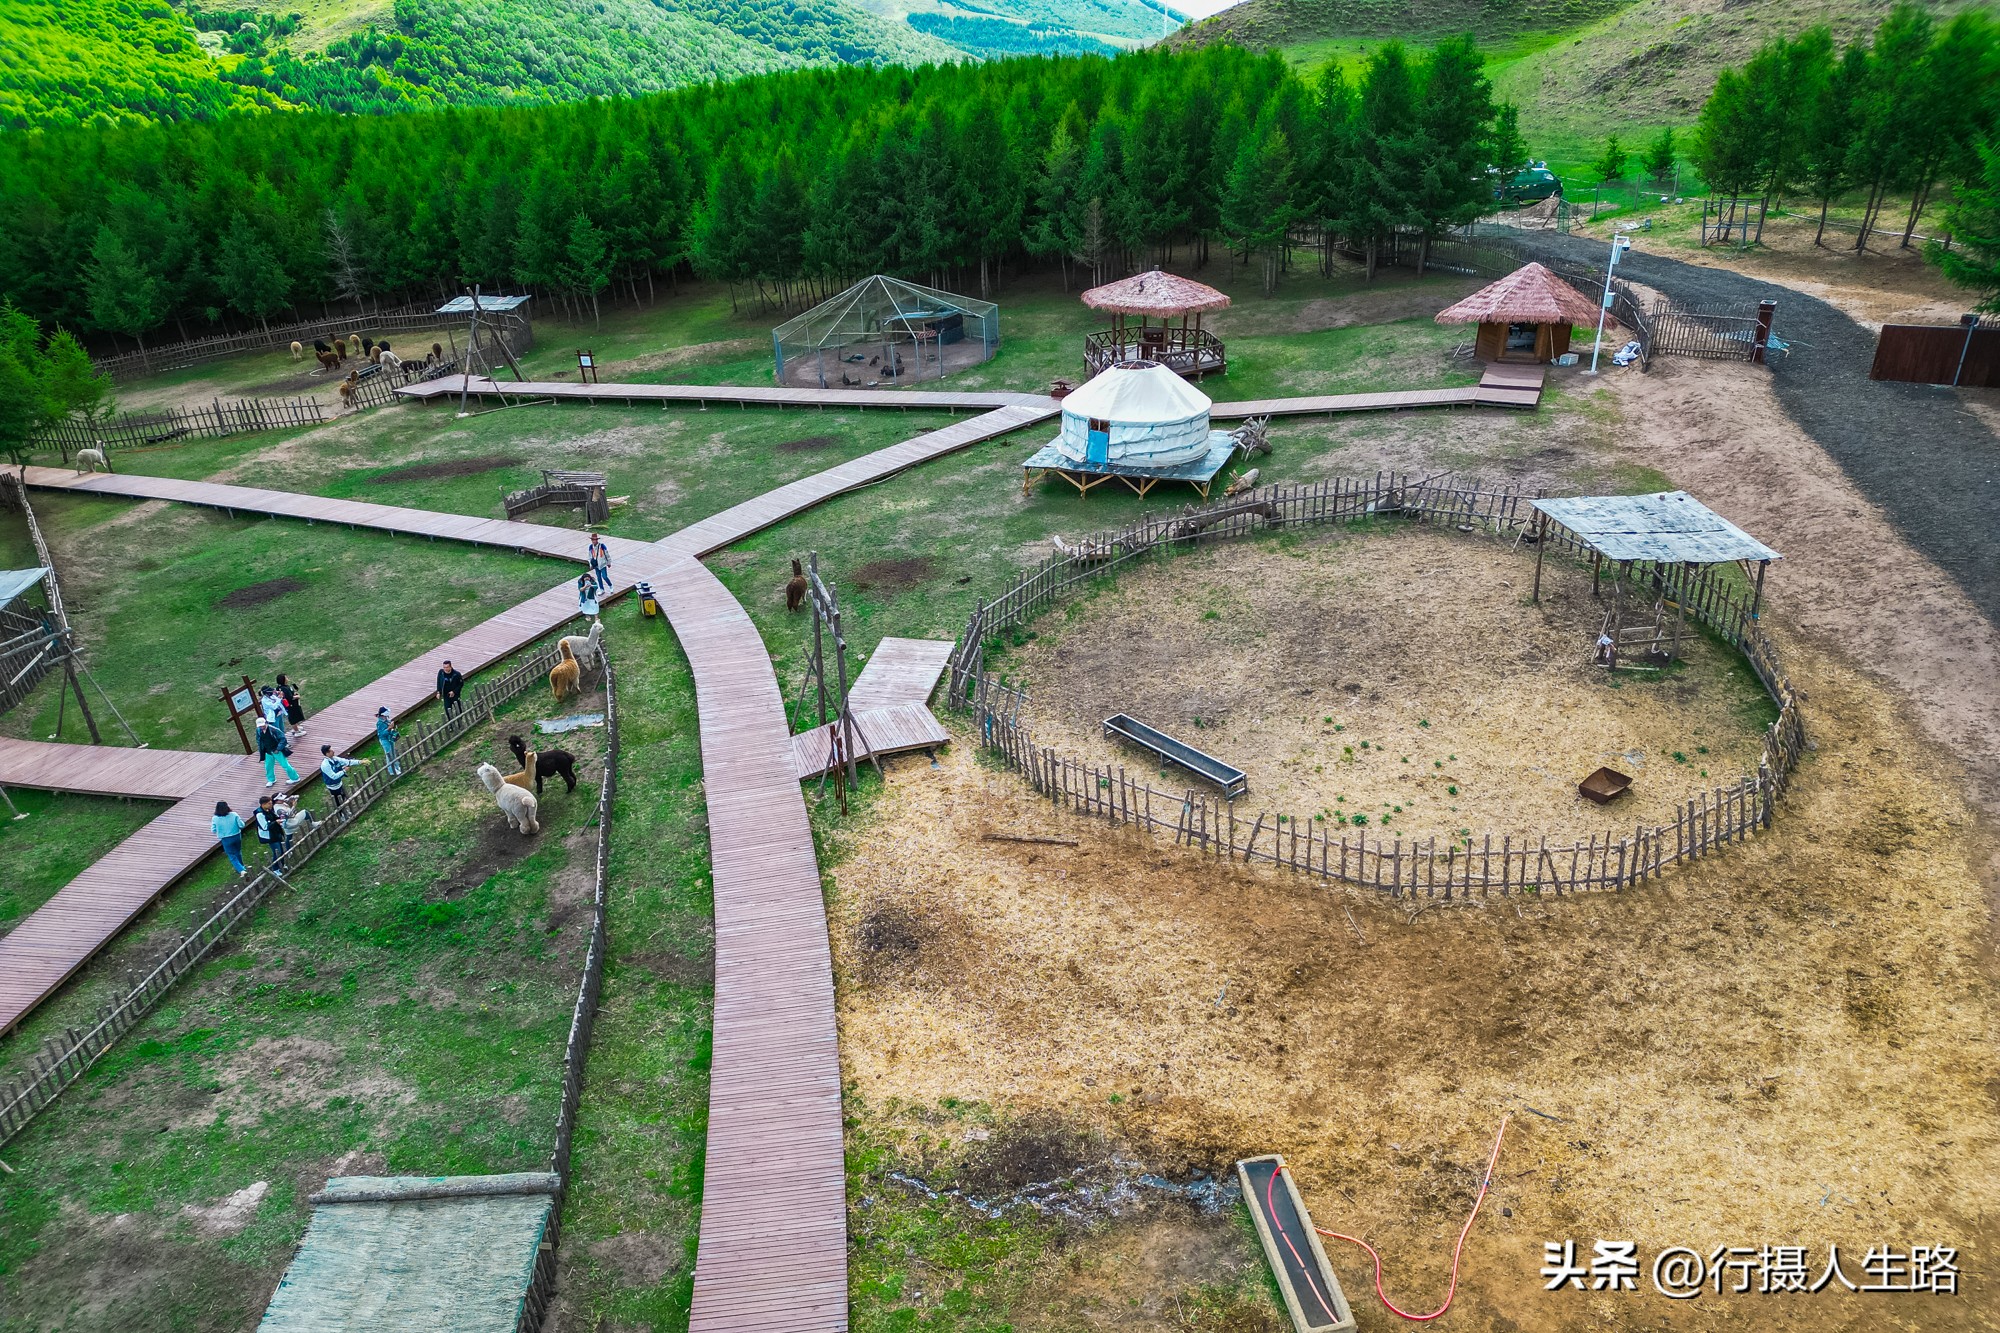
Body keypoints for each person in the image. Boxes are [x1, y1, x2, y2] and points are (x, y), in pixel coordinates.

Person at [319, 743, 370, 814]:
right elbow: (333, 776)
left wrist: (360, 762)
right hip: (333, 786)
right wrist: (344, 771)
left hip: (339, 783)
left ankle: (343, 812)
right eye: (331, 750)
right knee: (338, 801)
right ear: (327, 753)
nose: (333, 751)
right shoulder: (325, 765)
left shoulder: (335, 759)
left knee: (342, 797)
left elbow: (347, 762)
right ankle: (340, 815)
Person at [256, 713, 298, 786]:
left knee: (285, 765)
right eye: (260, 726)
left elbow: (283, 739)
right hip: (267, 751)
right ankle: (271, 779)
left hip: (276, 750)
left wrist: (278, 749)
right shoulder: (258, 730)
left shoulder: (274, 730)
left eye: (262, 725)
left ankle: (295, 777)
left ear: (266, 723)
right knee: (268, 766)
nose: (261, 727)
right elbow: (258, 739)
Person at [253, 794, 289, 874]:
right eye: (269, 803)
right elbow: (265, 826)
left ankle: (282, 865)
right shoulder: (260, 814)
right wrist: (276, 822)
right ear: (263, 804)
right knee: (277, 851)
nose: (271, 804)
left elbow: (274, 817)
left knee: (281, 850)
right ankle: (275, 868)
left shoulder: (268, 810)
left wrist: (279, 819)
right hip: (270, 836)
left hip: (276, 832)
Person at [212, 800, 247, 876]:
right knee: (238, 852)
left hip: (225, 838)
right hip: (236, 836)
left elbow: (213, 830)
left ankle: (241, 870)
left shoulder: (215, 818)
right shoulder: (234, 815)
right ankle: (242, 866)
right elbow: (241, 825)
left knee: (231, 855)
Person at [375, 706, 402, 776]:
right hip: (385, 740)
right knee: (389, 754)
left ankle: (396, 766)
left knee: (393, 752)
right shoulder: (380, 723)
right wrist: (389, 728)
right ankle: (391, 770)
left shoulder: (386, 719)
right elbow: (381, 734)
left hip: (390, 738)